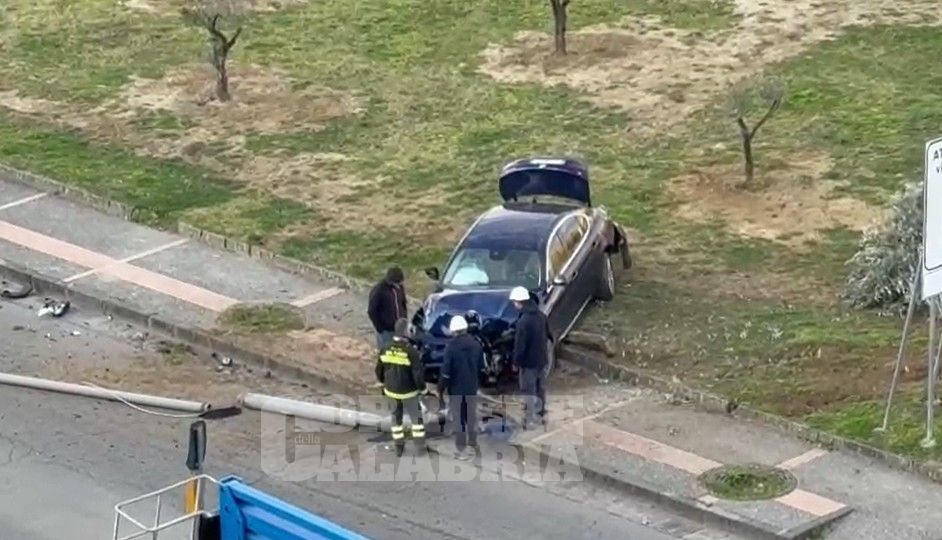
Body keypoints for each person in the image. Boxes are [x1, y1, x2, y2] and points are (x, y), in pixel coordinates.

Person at [375, 318, 426, 456]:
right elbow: (417, 375)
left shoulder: (385, 348)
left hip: (391, 391)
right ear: (406, 332)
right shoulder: (411, 352)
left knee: (396, 420)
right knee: (416, 421)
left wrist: (384, 382)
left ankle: (399, 447)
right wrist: (423, 390)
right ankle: (420, 448)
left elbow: (379, 371)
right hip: (409, 393)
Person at [438, 315, 484, 460]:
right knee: (471, 416)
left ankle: (461, 449)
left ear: (453, 331)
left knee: (459, 420)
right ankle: (473, 443)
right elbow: (481, 367)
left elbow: (446, 372)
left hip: (456, 389)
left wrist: (441, 388)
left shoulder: (451, 348)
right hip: (471, 388)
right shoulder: (476, 345)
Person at [509, 286, 550, 430]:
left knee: (528, 390)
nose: (514, 305)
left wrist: (516, 362)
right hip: (542, 360)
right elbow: (549, 335)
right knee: (540, 389)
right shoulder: (542, 316)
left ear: (519, 302)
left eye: (514, 302)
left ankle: (529, 419)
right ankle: (541, 415)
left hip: (528, 363)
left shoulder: (523, 321)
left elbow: (520, 345)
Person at [368, 267, 408, 351]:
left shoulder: (400, 287)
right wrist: (380, 328)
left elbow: (403, 303)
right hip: (386, 330)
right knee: (386, 352)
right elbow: (372, 310)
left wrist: (404, 318)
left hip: (400, 327)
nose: (399, 285)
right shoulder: (379, 290)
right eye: (397, 283)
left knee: (400, 350)